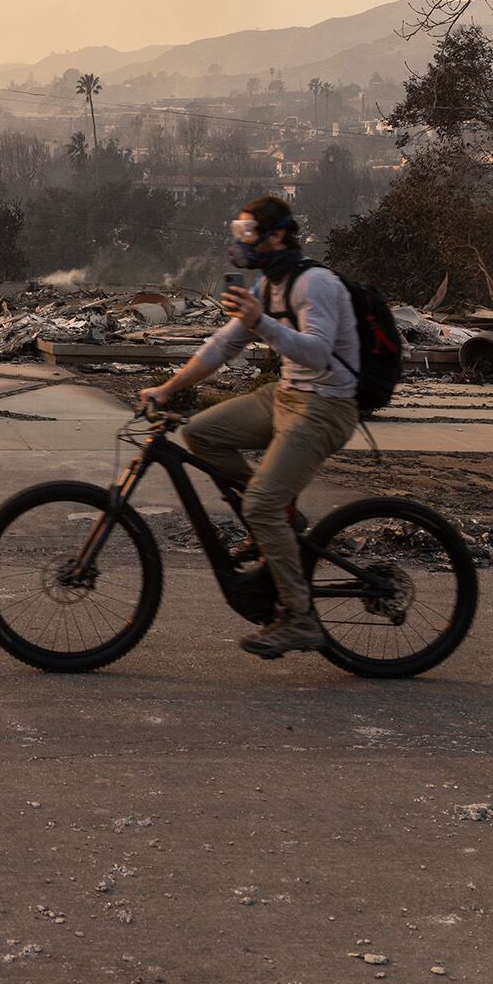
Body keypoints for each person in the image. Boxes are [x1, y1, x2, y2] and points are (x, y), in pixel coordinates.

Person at [136, 195, 359, 659]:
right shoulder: (267, 288)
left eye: (250, 233)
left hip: (326, 407)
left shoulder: (314, 283)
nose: (242, 243)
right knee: (200, 434)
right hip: (285, 397)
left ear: (278, 235)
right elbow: (222, 346)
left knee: (258, 504)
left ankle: (299, 618)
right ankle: (278, 519)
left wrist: (263, 325)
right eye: (239, 233)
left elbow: (317, 353)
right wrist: (168, 388)